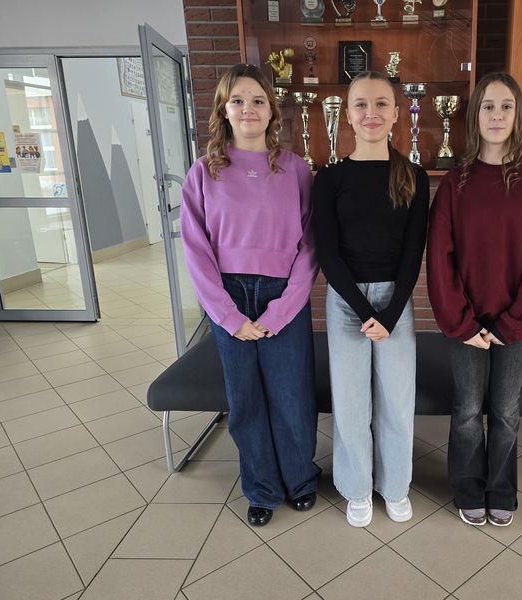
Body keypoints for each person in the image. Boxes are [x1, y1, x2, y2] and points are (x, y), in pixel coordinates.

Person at [180, 63, 320, 527]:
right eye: (237, 100)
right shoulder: (204, 172)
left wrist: (282, 310)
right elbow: (196, 250)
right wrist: (227, 315)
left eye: (258, 100)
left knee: (291, 395)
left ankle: (299, 479)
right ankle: (261, 488)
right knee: (245, 400)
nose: (248, 109)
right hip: (229, 294)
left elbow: (311, 246)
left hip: (283, 295)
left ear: (271, 110)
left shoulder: (296, 169)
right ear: (224, 109)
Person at [426, 72, 522, 527]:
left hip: (516, 322)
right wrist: (462, 322)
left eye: (506, 106)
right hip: (466, 322)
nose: (497, 115)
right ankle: (468, 488)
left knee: (505, 410)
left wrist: (511, 323)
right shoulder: (455, 184)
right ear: (475, 115)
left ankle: (500, 490)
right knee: (467, 410)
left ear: (517, 115)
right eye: (488, 106)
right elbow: (440, 258)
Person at [312, 70, 429, 527]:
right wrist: (365, 312)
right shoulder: (330, 178)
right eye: (361, 104)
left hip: (395, 300)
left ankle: (395, 486)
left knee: (396, 401)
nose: (371, 113)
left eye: (381, 104)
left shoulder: (413, 176)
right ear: (347, 115)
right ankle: (357, 487)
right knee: (351, 402)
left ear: (397, 114)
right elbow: (328, 252)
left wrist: (390, 313)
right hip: (346, 302)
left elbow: (413, 252)